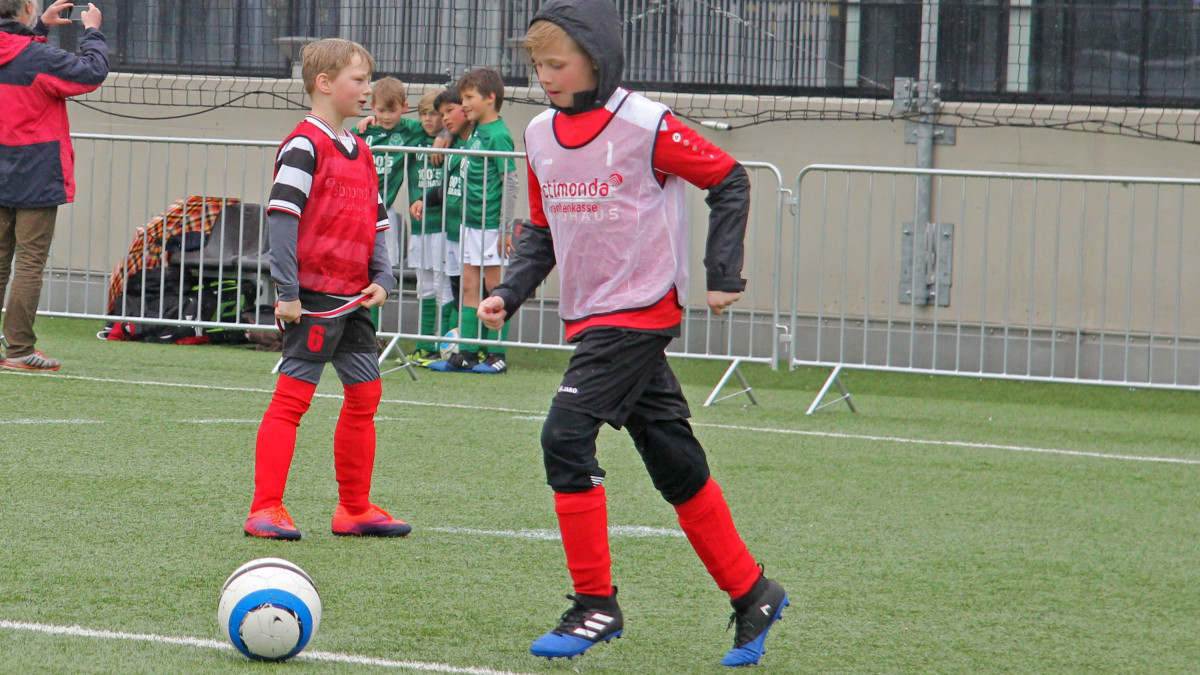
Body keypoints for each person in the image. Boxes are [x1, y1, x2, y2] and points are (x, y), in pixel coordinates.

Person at [477, 0, 787, 666]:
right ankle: (754, 593)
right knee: (673, 456)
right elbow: (540, 229)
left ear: (598, 60)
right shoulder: (538, 135)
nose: (545, 77)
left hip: (638, 312)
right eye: (537, 66)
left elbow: (729, 179)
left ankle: (596, 605)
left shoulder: (647, 124)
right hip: (594, 316)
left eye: (557, 64)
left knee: (564, 436)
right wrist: (509, 291)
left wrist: (722, 273)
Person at [244, 37, 410, 542]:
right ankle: (265, 508)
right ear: (324, 83)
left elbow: (376, 222)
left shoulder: (362, 150)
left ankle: (353, 509)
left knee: (366, 394)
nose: (368, 89)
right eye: (359, 80)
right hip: (313, 298)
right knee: (293, 400)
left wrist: (383, 276)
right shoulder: (303, 144)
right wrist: (287, 291)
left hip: (354, 297)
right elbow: (282, 219)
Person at [0, 0, 107, 371]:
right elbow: (91, 74)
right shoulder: (38, 57)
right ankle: (19, 350)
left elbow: (15, 56)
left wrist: (39, 30)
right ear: (28, 7)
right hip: (36, 171)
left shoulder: (31, 51)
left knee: (0, 261)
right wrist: (92, 31)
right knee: (29, 262)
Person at [428, 68, 517, 375]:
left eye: (468, 98)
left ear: (490, 98)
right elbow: (453, 129)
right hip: (469, 224)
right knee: (469, 286)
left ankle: (497, 354)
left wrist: (505, 229)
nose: (463, 104)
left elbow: (510, 182)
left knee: (495, 289)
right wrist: (446, 133)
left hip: (489, 225)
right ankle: (465, 352)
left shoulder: (498, 134)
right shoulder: (477, 129)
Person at [409, 89, 474, 368]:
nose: (430, 119)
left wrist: (446, 133)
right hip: (420, 228)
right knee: (425, 288)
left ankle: (446, 347)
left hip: (449, 227)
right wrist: (368, 120)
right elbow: (389, 120)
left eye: (437, 114)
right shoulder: (414, 134)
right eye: (424, 114)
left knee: (446, 288)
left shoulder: (458, 140)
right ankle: (425, 346)